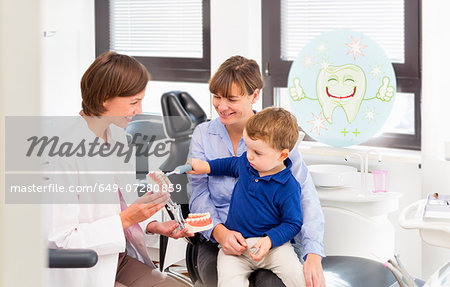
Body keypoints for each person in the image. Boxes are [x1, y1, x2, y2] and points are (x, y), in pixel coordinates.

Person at [47, 51, 193, 287]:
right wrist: (126, 219)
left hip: (119, 259)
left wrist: (152, 224)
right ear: (105, 98)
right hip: (85, 269)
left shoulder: (116, 135)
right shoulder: (63, 154)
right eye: (134, 102)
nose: (139, 109)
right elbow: (61, 241)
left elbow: (123, 202)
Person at [188, 55, 326, 287]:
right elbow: (198, 194)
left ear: (254, 95)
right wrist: (220, 233)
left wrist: (313, 253)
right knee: (215, 275)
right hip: (220, 236)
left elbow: (305, 196)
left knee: (270, 283)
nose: (221, 106)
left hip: (271, 240)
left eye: (231, 98)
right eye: (217, 96)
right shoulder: (203, 134)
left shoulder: (276, 136)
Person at [189, 107, 306, 287]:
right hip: (236, 247)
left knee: (297, 277)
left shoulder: (289, 187)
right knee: (227, 281)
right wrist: (206, 167)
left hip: (273, 248)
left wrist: (269, 240)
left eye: (257, 152)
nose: (249, 155)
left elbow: (292, 223)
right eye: (248, 147)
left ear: (282, 155)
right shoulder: (246, 163)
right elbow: (229, 164)